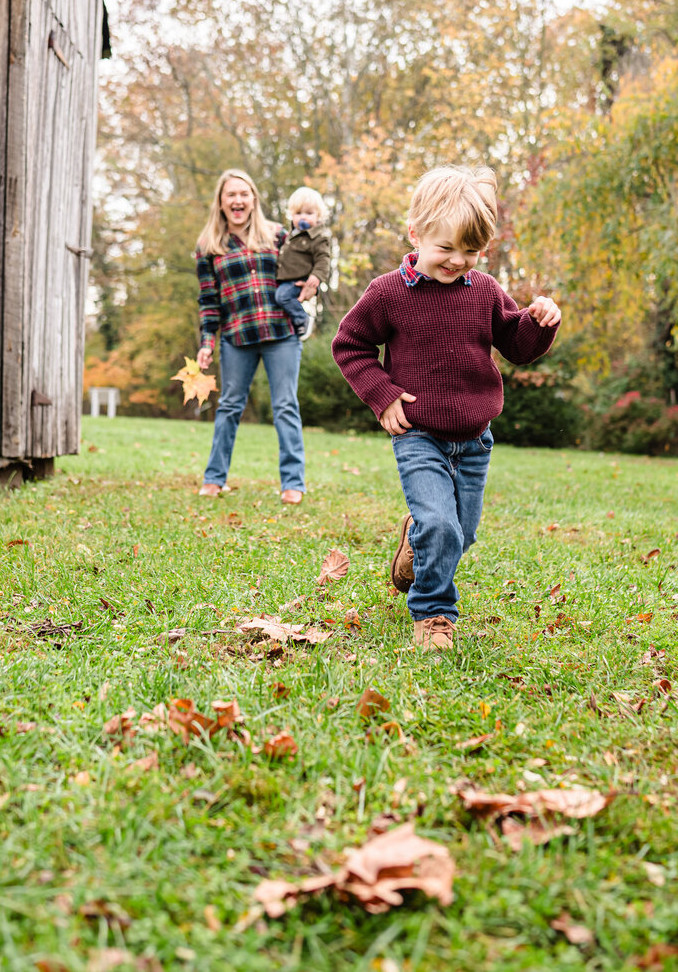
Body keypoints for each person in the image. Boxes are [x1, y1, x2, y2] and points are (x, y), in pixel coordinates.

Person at [331, 165, 561, 651]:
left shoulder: (484, 291)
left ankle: (416, 544)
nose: (459, 261)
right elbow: (350, 345)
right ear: (416, 234)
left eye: (471, 251)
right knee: (442, 525)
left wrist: (539, 321)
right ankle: (434, 614)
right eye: (446, 248)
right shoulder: (387, 293)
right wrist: (382, 393)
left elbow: (517, 345)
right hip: (419, 434)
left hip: (475, 440)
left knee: (460, 534)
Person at [195, 169, 308, 504]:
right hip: (236, 337)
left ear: (253, 198)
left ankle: (293, 484)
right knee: (229, 406)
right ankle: (214, 479)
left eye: (244, 194)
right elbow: (208, 300)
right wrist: (207, 341)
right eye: (231, 195)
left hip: (280, 333)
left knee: (285, 405)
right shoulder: (208, 247)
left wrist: (310, 286)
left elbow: (302, 272)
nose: (238, 200)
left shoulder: (277, 235)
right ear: (221, 202)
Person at [274, 187, 332, 341]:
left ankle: (302, 319)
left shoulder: (318, 237)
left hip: (299, 279)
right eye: (298, 214)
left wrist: (316, 276)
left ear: (318, 216)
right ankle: (297, 321)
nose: (303, 218)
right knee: (281, 296)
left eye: (309, 213)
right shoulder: (292, 235)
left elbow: (323, 258)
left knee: (282, 297)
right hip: (286, 278)